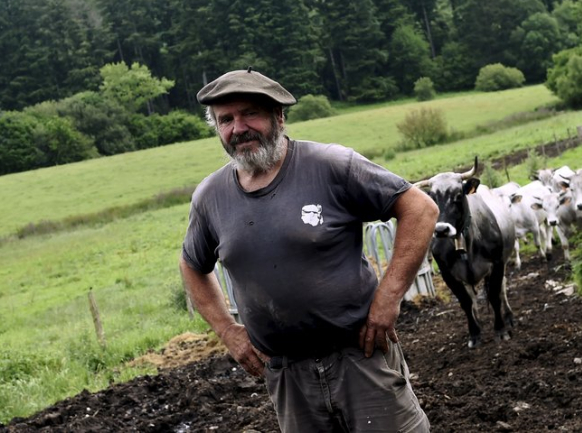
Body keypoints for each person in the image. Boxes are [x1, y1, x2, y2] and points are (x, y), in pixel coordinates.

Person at [180, 67, 439, 432]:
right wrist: (226, 330)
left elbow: (419, 208)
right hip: (288, 375)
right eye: (226, 119)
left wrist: (389, 297)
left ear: (279, 117)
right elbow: (192, 264)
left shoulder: (331, 165)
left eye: (250, 113)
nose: (238, 128)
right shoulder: (210, 197)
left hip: (360, 356)